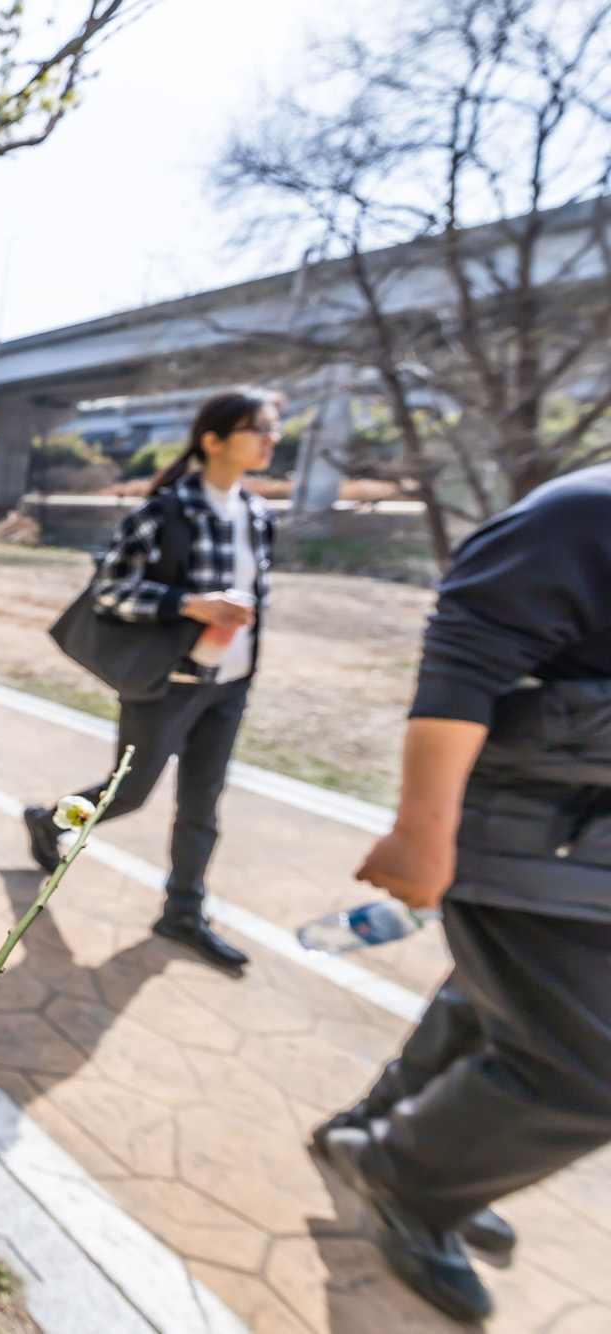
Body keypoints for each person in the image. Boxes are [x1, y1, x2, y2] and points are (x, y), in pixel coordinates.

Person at [311, 461, 611, 1324]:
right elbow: (467, 653)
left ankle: (376, 1132)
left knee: (492, 1006)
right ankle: (409, 1175)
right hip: (533, 832)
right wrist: (422, 831)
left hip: (581, 848)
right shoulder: (587, 514)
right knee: (589, 1070)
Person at [23, 388, 280, 973]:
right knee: (130, 792)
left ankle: (183, 912)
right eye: (259, 428)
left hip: (230, 684)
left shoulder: (260, 515)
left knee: (202, 804)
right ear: (213, 439)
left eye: (274, 430)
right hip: (168, 683)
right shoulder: (161, 513)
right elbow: (110, 591)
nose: (271, 440)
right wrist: (190, 603)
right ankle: (48, 819)